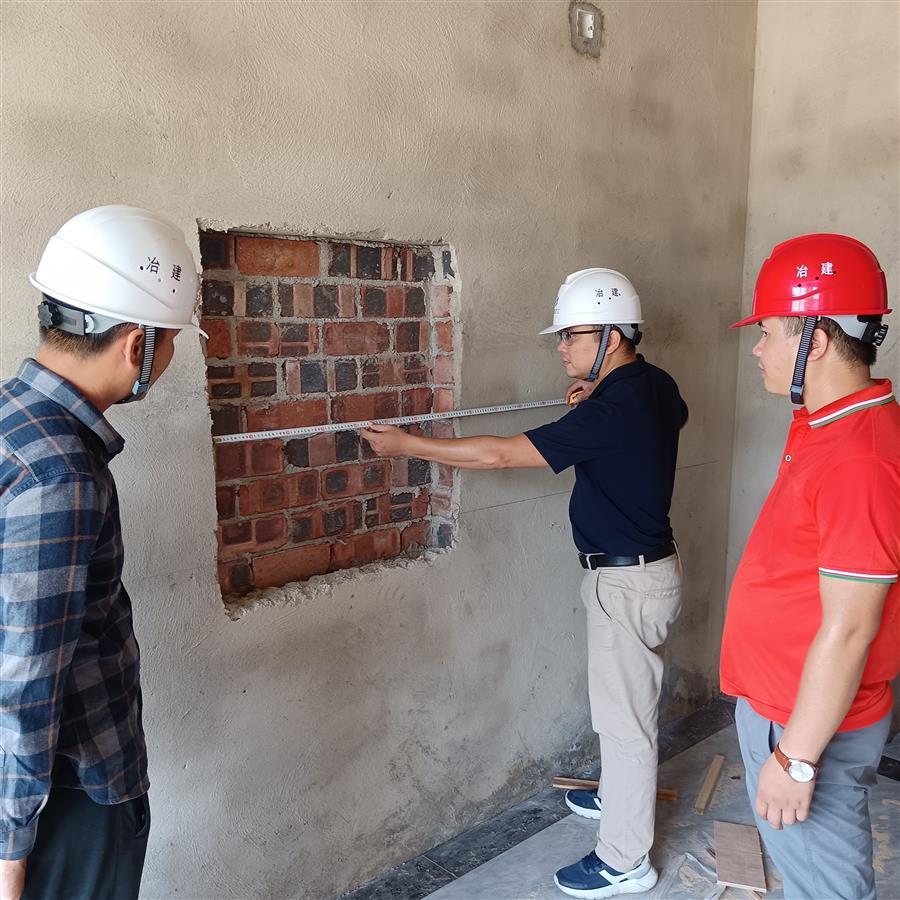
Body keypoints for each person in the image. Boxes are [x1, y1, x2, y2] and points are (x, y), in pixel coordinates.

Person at [361, 268, 688, 898]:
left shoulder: (612, 410)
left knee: (624, 722)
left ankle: (625, 860)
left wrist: (409, 446)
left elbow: (500, 454)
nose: (561, 348)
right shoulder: (653, 385)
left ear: (613, 336)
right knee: (625, 708)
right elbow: (669, 415)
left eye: (571, 335)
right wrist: (596, 397)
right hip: (646, 574)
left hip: (627, 583)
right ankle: (620, 796)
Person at [0, 206, 204, 900]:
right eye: (170, 342)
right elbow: (28, 674)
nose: (168, 359)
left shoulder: (12, 419)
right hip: (68, 797)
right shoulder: (58, 473)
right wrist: (11, 845)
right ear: (137, 344)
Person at [721, 233, 898, 900]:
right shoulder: (828, 425)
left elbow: (851, 628)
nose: (757, 349)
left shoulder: (859, 458)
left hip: (806, 723)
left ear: (815, 342)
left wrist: (795, 759)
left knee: (826, 886)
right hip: (787, 706)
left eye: (767, 333)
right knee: (805, 873)